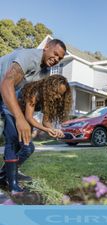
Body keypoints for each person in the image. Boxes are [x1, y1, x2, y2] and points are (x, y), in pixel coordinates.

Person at [0, 39, 66, 193]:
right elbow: (6, 84)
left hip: (8, 93)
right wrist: (20, 118)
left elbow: (30, 99)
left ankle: (7, 175)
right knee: (12, 134)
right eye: (55, 54)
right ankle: (11, 183)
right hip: (4, 88)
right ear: (46, 47)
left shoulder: (45, 72)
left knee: (19, 139)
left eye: (60, 58)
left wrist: (53, 130)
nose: (56, 59)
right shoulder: (29, 57)